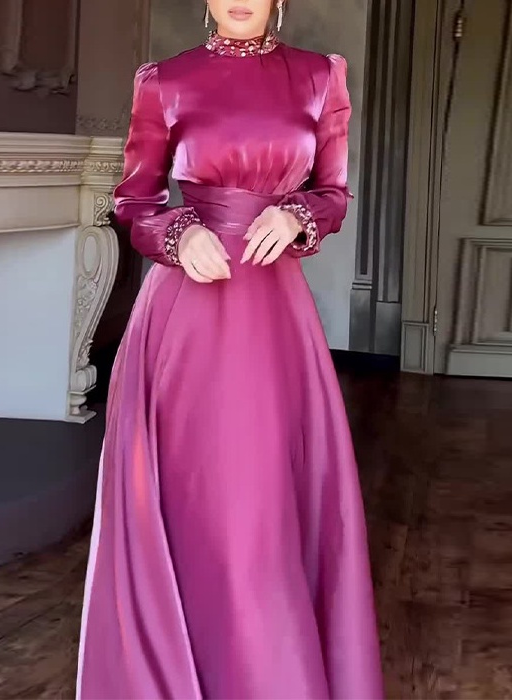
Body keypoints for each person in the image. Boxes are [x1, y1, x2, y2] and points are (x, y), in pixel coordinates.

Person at [76, 0, 384, 698]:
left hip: (273, 313)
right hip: (184, 311)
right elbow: (135, 200)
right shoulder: (163, 80)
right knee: (191, 492)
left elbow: (333, 192)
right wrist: (178, 232)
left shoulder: (320, 76)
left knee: (262, 496)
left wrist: (298, 213)